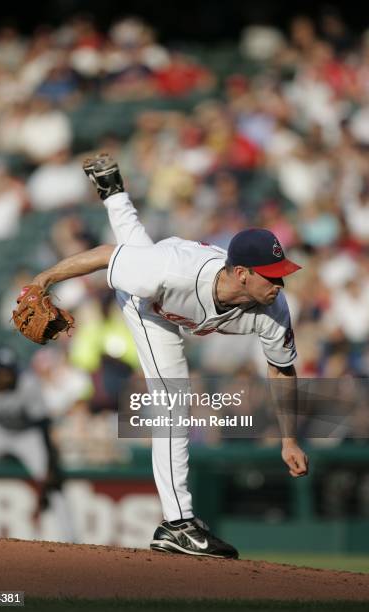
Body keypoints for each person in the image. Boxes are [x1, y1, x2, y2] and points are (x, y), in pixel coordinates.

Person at [30, 153, 309, 559]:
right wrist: (43, 279)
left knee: (137, 245)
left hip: (162, 275)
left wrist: (289, 439)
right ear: (243, 273)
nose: (280, 283)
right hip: (150, 304)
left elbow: (282, 370)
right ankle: (178, 523)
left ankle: (112, 191)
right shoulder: (169, 273)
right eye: (273, 274)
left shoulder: (273, 311)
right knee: (174, 403)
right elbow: (109, 254)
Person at [0, 346, 76, 542]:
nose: (5, 375)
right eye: (1, 371)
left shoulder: (28, 384)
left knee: (52, 482)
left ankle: (71, 538)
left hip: (26, 432)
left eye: (9, 370)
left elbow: (42, 425)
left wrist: (50, 463)